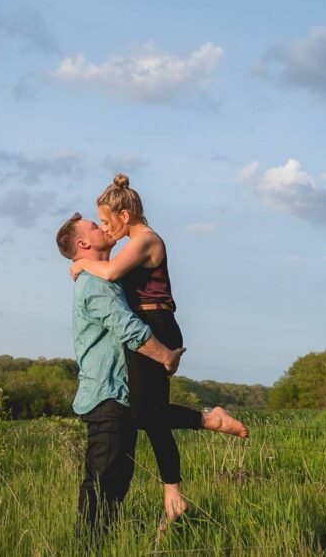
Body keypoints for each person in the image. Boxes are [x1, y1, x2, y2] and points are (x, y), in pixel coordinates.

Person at [69, 175, 247, 526]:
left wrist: (80, 264)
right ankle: (173, 491)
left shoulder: (145, 240)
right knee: (149, 414)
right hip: (152, 326)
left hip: (158, 326)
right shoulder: (130, 245)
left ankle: (209, 422)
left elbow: (110, 273)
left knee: (146, 414)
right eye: (98, 224)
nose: (105, 228)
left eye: (105, 220)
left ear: (124, 214)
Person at [55, 212, 184, 535]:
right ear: (84, 243)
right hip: (107, 398)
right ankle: (88, 548)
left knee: (114, 485)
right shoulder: (95, 284)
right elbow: (130, 331)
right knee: (102, 485)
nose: (103, 227)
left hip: (117, 395)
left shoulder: (106, 278)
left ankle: (98, 544)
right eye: (95, 227)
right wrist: (166, 356)